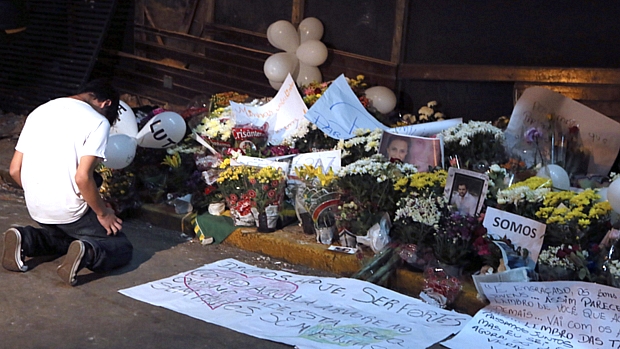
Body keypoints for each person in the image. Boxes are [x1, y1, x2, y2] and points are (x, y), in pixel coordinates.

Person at [2, 79, 133, 286]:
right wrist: (103, 213)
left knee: (65, 240)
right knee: (121, 247)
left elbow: (14, 169)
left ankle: (25, 238)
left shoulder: (39, 112)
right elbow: (83, 177)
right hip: (70, 210)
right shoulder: (98, 121)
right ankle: (88, 253)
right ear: (105, 104)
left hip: (37, 207)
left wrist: (42, 193)